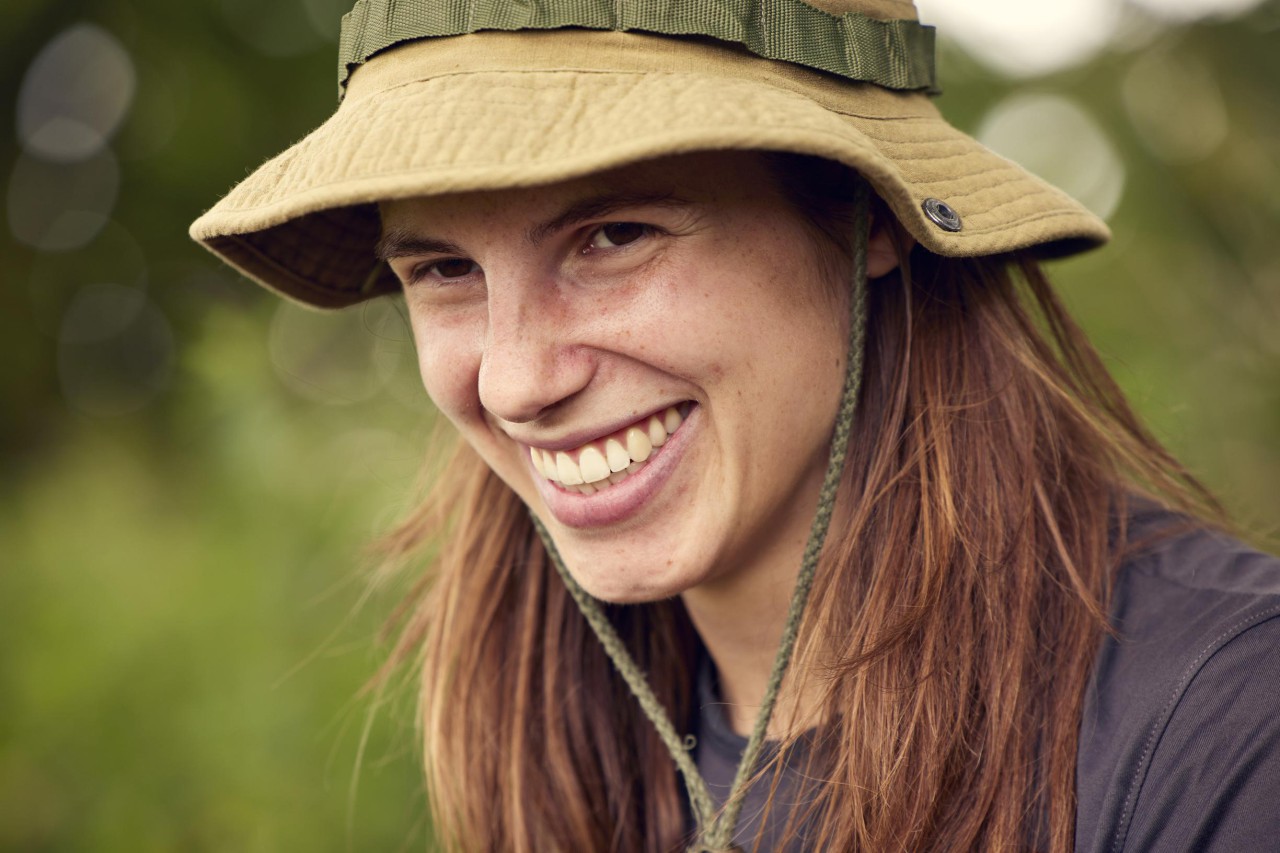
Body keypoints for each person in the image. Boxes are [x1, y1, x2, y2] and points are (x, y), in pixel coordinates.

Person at [191, 1, 1280, 850]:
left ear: (864, 217)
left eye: (614, 235)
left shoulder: (1226, 728)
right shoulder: (549, 728)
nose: (517, 380)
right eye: (443, 268)